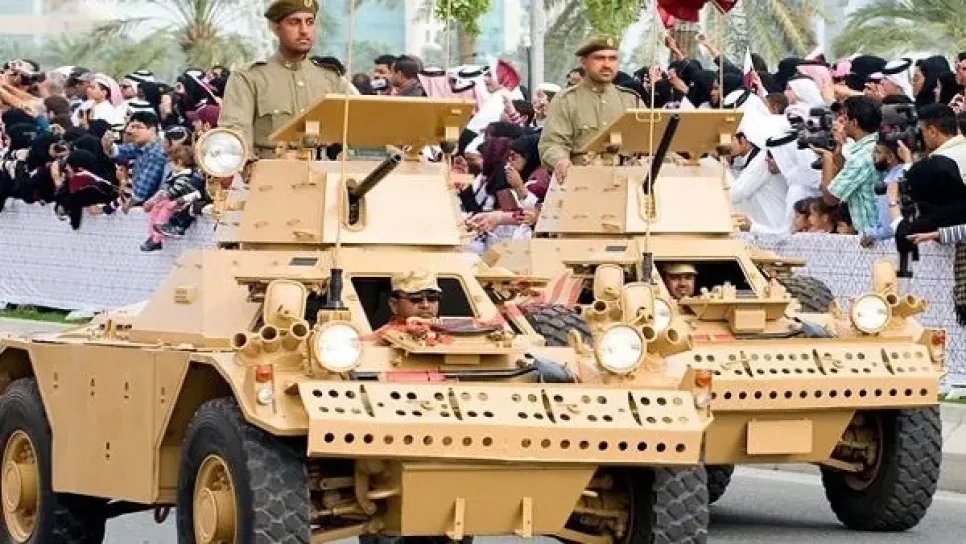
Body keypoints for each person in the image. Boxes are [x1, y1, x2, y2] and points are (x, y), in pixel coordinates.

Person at [218, 0, 348, 160]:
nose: (304, 30)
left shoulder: (330, 79)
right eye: (294, 23)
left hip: (323, 170)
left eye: (309, 22)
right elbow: (236, 136)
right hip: (268, 171)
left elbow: (349, 132)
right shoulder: (249, 78)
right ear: (277, 28)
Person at [538, 35, 640, 182]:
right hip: (582, 182)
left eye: (612, 58)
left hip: (626, 182)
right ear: (584, 62)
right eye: (599, 58)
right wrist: (560, 160)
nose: (607, 64)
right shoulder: (566, 100)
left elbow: (651, 140)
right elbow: (551, 144)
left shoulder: (631, 100)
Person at [813, 95, 881, 235]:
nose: (841, 123)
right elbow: (845, 175)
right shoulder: (875, 146)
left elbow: (831, 198)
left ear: (854, 123)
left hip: (873, 235)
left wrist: (827, 158)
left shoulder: (862, 156)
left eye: (845, 118)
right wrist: (838, 151)